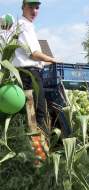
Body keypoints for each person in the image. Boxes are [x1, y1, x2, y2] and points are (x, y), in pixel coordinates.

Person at [13, 0, 57, 135]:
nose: (34, 11)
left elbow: (29, 57)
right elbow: (34, 55)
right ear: (23, 7)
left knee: (31, 113)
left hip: (28, 73)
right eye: (30, 7)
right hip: (29, 76)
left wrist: (46, 63)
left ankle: (35, 148)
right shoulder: (24, 25)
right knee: (37, 114)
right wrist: (53, 59)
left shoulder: (25, 25)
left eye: (37, 8)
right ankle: (38, 151)